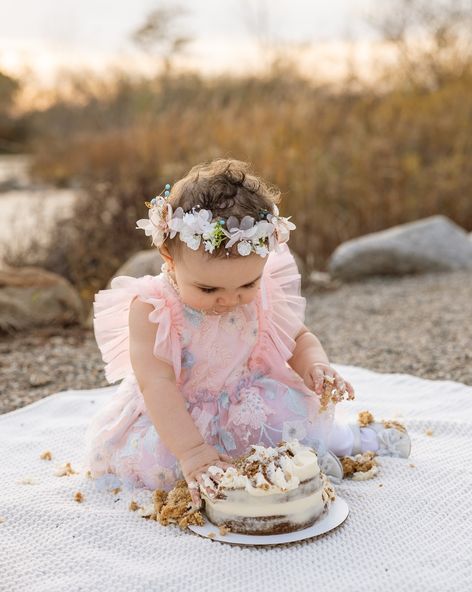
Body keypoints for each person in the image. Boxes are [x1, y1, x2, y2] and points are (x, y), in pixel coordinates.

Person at [83, 158, 411, 508]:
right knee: (163, 466)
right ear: (168, 256)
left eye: (246, 284)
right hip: (177, 418)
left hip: (245, 399)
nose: (229, 299)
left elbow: (298, 338)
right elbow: (156, 385)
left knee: (303, 416)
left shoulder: (262, 290)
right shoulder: (152, 308)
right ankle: (270, 466)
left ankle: (341, 444)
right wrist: (193, 452)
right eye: (208, 290)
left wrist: (315, 365)